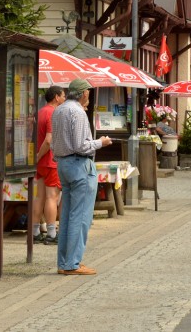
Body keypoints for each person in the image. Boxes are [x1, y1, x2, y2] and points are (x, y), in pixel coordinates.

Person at [50, 78, 112, 275]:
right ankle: (72, 264)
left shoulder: (58, 110)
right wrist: (101, 142)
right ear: (83, 93)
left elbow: (55, 142)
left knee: (67, 216)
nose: (90, 96)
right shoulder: (77, 112)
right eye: (89, 92)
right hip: (78, 164)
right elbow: (81, 145)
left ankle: (64, 262)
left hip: (63, 164)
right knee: (81, 216)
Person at [34, 85, 65, 244]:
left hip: (40, 164)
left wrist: (36, 159)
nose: (64, 99)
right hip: (50, 160)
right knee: (52, 197)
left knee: (40, 196)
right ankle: (52, 233)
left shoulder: (40, 112)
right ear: (56, 97)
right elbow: (48, 140)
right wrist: (39, 156)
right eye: (63, 96)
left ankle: (34, 231)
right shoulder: (54, 113)